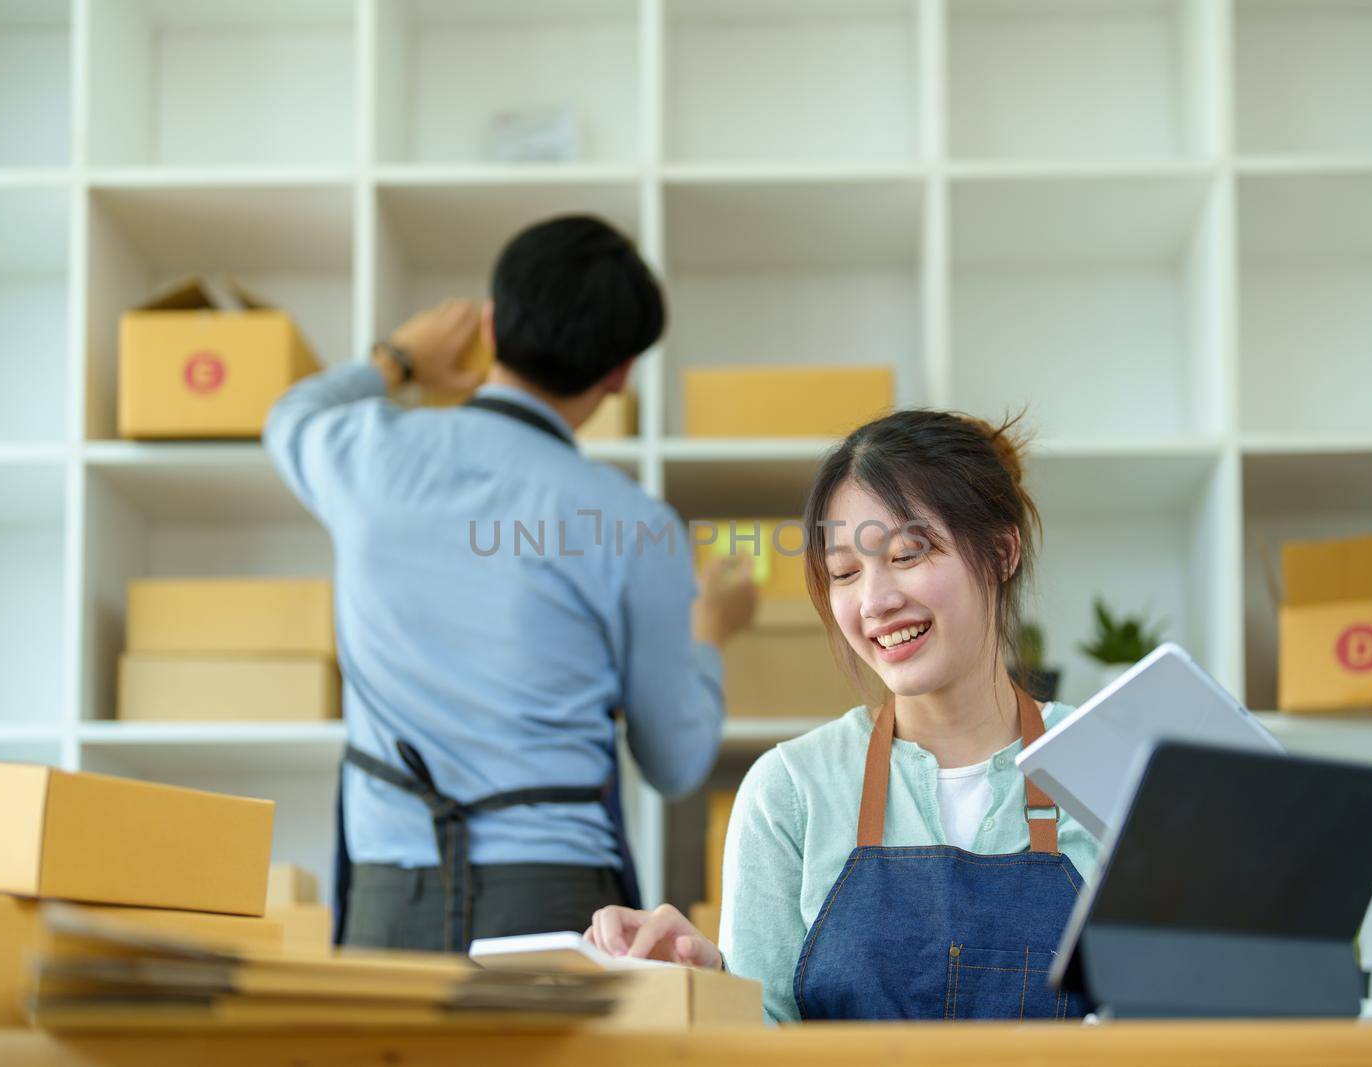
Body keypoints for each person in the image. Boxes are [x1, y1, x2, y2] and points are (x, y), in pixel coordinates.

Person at [265, 215, 757, 952]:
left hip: (387, 899)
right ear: (620, 371)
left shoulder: (368, 454)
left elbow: (289, 416)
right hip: (558, 902)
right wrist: (710, 632)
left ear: (491, 325)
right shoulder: (636, 525)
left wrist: (399, 359)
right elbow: (676, 760)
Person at [583, 409, 1100, 1022]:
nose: (875, 601)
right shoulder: (791, 792)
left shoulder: (1112, 767)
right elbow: (759, 1044)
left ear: (1001, 551)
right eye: (844, 573)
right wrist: (705, 988)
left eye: (908, 554)